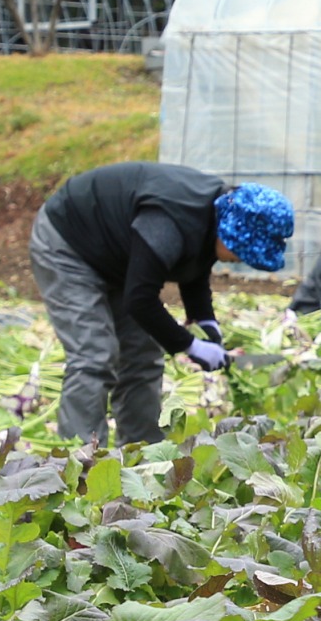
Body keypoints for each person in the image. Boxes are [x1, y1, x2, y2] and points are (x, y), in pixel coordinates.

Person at [28, 162, 294, 443]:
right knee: (94, 354)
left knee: (143, 355)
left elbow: (196, 264)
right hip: (68, 243)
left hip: (116, 254)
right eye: (241, 252)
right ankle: (79, 465)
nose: (240, 260)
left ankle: (142, 453)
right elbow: (140, 299)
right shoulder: (169, 222)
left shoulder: (215, 211)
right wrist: (190, 345)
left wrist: (205, 322)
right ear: (230, 231)